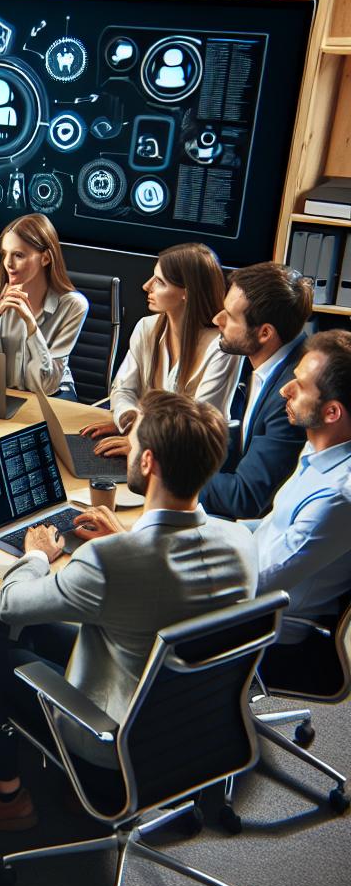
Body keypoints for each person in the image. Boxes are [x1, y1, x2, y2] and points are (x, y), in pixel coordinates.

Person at [0, 390, 257, 833]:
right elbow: (161, 576)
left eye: (134, 444)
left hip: (114, 742)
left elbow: (9, 604)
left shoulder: (111, 561)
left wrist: (37, 556)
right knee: (44, 631)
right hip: (193, 727)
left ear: (147, 463)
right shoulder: (241, 544)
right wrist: (121, 539)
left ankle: (5, 799)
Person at [248, 330, 351, 690]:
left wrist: (165, 554)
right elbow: (269, 527)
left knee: (129, 604)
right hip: (251, 592)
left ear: (332, 411)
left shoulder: (338, 496)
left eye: (300, 386)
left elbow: (260, 581)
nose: (284, 391)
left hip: (268, 630)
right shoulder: (319, 452)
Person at [82, 242, 239, 458]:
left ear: (187, 293)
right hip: (150, 450)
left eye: (160, 282)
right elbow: (123, 390)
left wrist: (139, 441)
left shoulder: (222, 348)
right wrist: (128, 420)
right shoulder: (147, 328)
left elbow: (198, 426)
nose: (146, 286)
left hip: (190, 460)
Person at [201, 263, 313, 519]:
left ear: (265, 333)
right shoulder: (263, 362)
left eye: (229, 316)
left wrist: (168, 478)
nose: (217, 319)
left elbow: (246, 497)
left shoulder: (293, 394)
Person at [0, 213, 88, 399]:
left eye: (18, 255)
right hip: (4, 393)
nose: (8, 263)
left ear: (46, 258)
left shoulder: (73, 305)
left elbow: (45, 385)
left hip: (53, 395)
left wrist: (31, 325)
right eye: (4, 254)